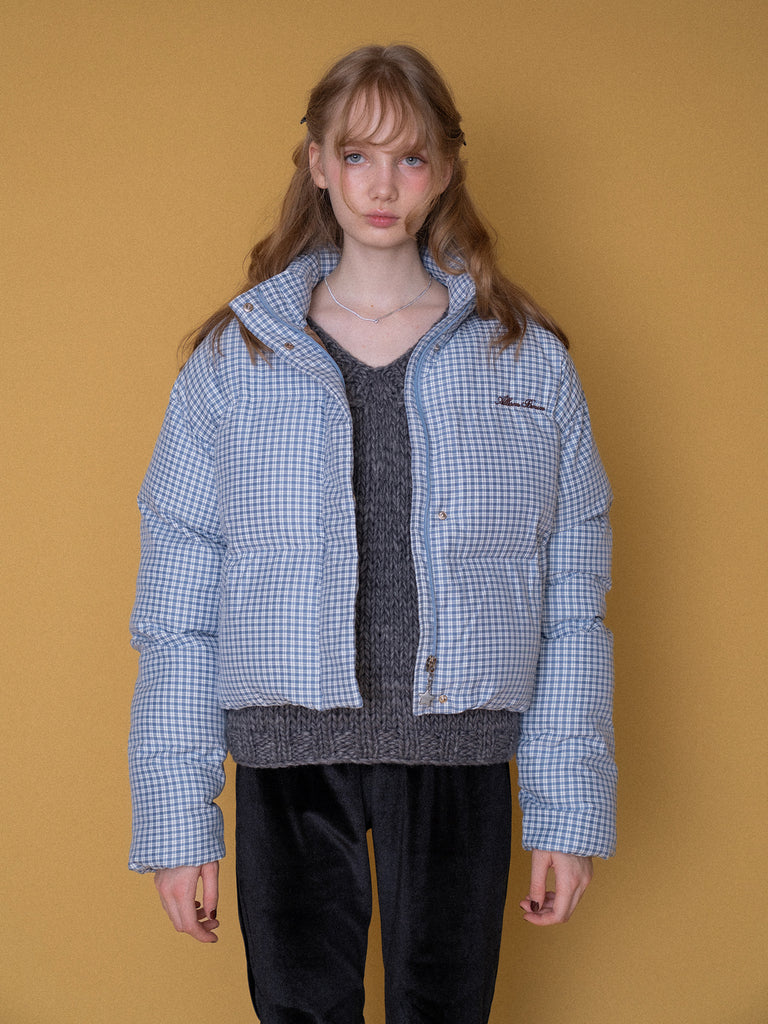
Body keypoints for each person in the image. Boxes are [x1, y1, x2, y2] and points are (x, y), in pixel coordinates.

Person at [128, 42, 616, 1024]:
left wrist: (566, 810)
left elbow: (572, 604)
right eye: (357, 155)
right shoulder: (236, 359)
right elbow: (178, 604)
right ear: (316, 163)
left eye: (410, 157)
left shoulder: (527, 360)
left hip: (460, 757)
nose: (382, 186)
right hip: (287, 761)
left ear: (446, 169)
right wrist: (179, 821)